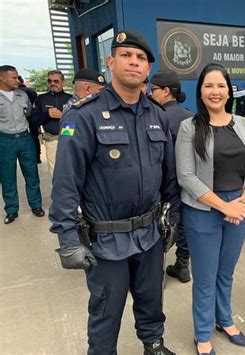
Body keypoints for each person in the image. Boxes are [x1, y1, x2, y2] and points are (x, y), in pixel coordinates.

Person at [49, 30, 179, 355]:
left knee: (151, 299)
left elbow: (170, 177)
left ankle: (153, 344)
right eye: (126, 56)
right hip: (106, 241)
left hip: (149, 235)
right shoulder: (83, 115)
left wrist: (172, 218)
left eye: (141, 59)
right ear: (110, 62)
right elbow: (66, 182)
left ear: (148, 69)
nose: (134, 63)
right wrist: (66, 239)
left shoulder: (158, 116)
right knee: (106, 310)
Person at [175, 63, 245, 354]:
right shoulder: (189, 127)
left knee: (226, 271)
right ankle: (202, 333)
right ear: (200, 91)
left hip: (238, 207)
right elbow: (186, 176)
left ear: (230, 90)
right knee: (205, 276)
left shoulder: (243, 124)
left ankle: (224, 319)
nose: (215, 91)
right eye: (209, 86)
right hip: (203, 211)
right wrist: (223, 205)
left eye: (221, 85)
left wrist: (243, 201)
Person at [150, 69, 193, 283]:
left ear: (166, 91)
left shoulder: (155, 117)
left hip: (161, 183)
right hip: (186, 182)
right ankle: (183, 264)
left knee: (159, 224)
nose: (151, 93)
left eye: (154, 89)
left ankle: (156, 273)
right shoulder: (189, 116)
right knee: (183, 224)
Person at [0, 65, 44, 224]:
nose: (17, 80)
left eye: (18, 77)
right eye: (13, 77)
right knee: (7, 176)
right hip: (5, 140)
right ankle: (11, 210)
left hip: (25, 139)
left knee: (32, 174)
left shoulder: (23, 96)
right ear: (2, 78)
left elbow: (30, 116)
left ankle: (36, 205)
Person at [31, 69, 72, 175]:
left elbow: (78, 120)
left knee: (71, 171)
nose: (53, 83)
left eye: (56, 81)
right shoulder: (41, 99)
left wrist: (63, 117)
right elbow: (34, 120)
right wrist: (47, 115)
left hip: (69, 140)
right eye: (50, 81)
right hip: (51, 140)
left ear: (63, 82)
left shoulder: (71, 99)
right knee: (55, 174)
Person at [18, 75, 40, 163]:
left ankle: (25, 157)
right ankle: (37, 156)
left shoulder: (16, 92)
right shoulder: (31, 91)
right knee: (35, 137)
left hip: (20, 118)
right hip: (33, 117)